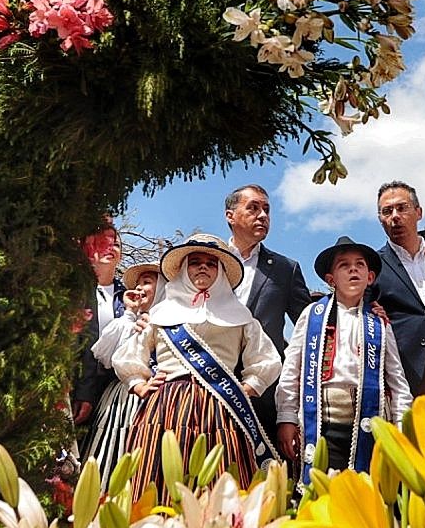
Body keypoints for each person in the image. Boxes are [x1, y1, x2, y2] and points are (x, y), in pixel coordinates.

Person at [115, 234, 282, 495]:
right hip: (166, 405)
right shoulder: (161, 314)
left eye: (211, 263)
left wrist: (249, 387)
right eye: (195, 262)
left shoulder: (240, 316)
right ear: (183, 269)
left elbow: (266, 358)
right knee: (156, 476)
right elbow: (130, 354)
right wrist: (138, 383)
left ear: (221, 272)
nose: (203, 267)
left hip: (221, 406)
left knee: (221, 478)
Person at [276, 237, 409, 483]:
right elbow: (291, 369)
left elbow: (397, 380)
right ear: (330, 280)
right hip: (322, 422)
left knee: (365, 491)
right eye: (344, 265)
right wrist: (286, 417)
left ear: (370, 277)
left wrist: (402, 425)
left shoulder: (379, 323)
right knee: (320, 489)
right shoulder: (312, 316)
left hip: (368, 422)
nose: (353, 270)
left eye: (360, 265)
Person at [223, 185, 310, 442]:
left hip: (264, 392)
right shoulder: (209, 261)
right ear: (230, 216)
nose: (262, 215)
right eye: (253, 208)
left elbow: (308, 323)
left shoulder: (285, 269)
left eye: (267, 210)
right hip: (211, 385)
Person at [371, 181, 425, 398]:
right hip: (403, 381)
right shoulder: (372, 267)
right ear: (380, 220)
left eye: (402, 208)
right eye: (387, 211)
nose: (395, 216)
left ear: (418, 212)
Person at [82, 260, 160, 488]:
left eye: (147, 282)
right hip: (120, 400)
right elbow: (104, 356)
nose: (139, 289)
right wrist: (129, 315)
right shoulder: (127, 322)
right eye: (138, 283)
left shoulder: (176, 322)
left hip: (157, 397)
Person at [73, 222, 126, 442]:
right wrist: (84, 391)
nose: (109, 246)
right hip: (77, 390)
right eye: (102, 240)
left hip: (115, 395)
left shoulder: (129, 296)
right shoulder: (75, 291)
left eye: (114, 242)